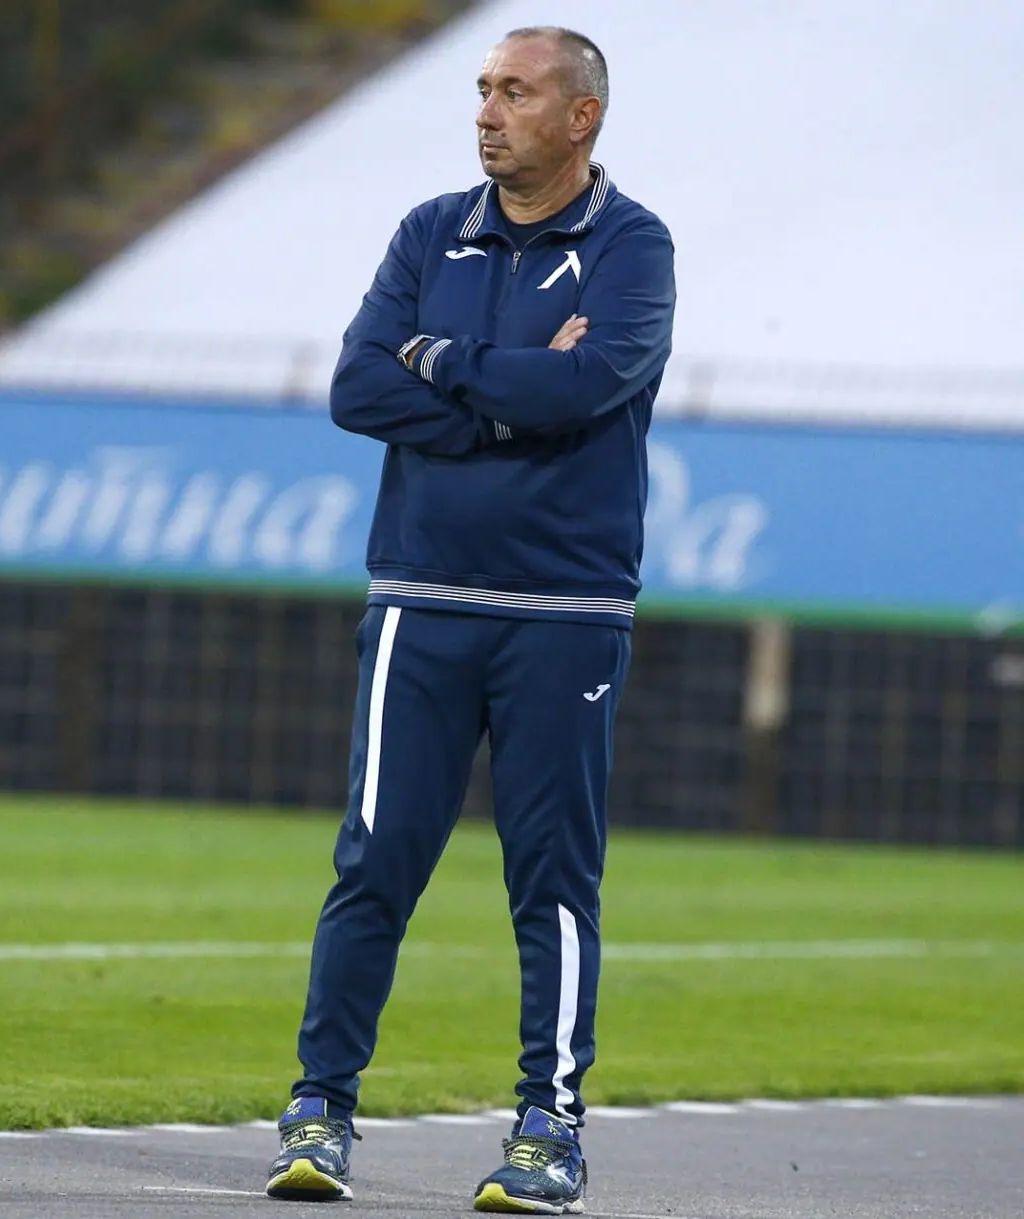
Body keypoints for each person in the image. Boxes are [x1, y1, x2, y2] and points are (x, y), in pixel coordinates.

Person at [263, 25, 676, 1214]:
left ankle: (550, 1129)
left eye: (516, 92)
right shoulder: (427, 229)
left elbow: (586, 384)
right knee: (374, 862)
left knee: (553, 880)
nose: (488, 112)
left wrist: (439, 360)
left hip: (565, 610)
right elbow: (358, 384)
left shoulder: (632, 244)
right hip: (421, 600)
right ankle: (317, 1109)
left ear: (581, 116)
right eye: (483, 89)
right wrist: (503, 398)